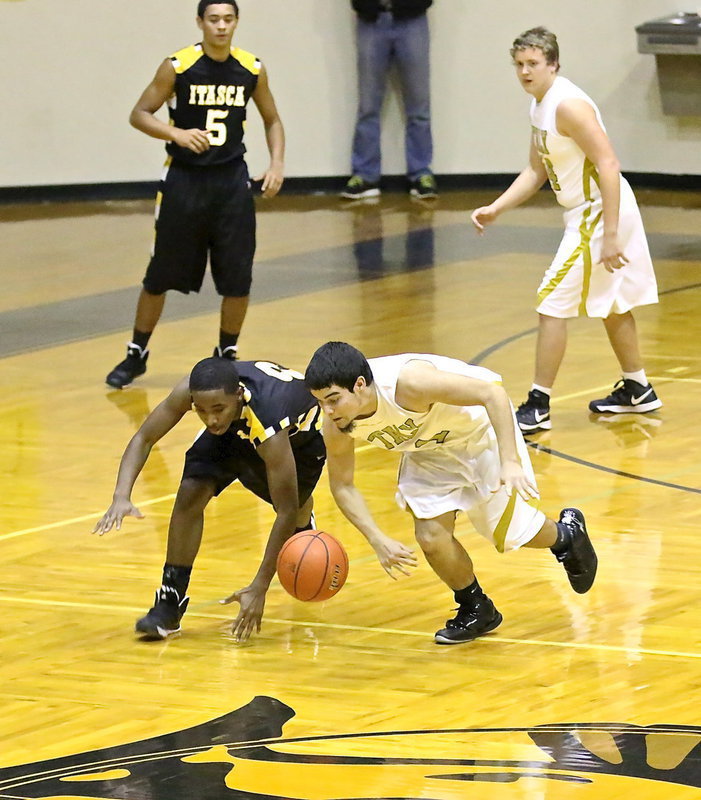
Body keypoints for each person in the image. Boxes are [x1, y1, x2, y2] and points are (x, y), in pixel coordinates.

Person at [304, 341, 597, 645]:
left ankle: (566, 536)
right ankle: (476, 607)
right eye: (320, 402)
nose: (326, 410)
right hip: (428, 449)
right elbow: (342, 485)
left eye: (333, 400)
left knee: (508, 533)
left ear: (360, 385)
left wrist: (510, 461)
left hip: (480, 431)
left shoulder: (410, 383)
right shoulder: (337, 424)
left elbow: (492, 394)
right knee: (431, 537)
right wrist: (378, 539)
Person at [471, 27, 661, 434]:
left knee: (551, 302)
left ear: (553, 65)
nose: (525, 72)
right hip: (585, 213)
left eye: (533, 64)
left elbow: (609, 164)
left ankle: (538, 404)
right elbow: (536, 169)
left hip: (598, 211)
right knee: (612, 302)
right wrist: (496, 208)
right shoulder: (539, 105)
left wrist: (609, 234)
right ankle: (638, 388)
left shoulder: (568, 105)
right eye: (519, 65)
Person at [106, 1, 285, 389]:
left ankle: (227, 354)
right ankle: (136, 353)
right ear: (200, 23)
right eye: (214, 19)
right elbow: (140, 113)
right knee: (159, 275)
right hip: (184, 182)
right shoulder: (178, 65)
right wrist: (177, 134)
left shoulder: (252, 69)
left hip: (231, 183)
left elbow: (272, 119)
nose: (221, 26)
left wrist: (276, 165)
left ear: (237, 22)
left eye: (228, 19)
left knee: (238, 277)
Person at [95, 357, 325, 642]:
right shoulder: (195, 393)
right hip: (236, 430)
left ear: (238, 395)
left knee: (291, 508)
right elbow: (144, 437)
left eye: (218, 409)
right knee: (190, 493)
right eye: (202, 411)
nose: (211, 418)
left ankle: (306, 519)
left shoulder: (268, 418)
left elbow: (285, 511)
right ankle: (169, 600)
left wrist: (259, 586)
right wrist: (121, 495)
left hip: (296, 442)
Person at [341, 0, 437, 200]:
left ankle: (421, 173)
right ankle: (365, 175)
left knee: (418, 105)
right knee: (368, 105)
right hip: (371, 20)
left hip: (413, 18)